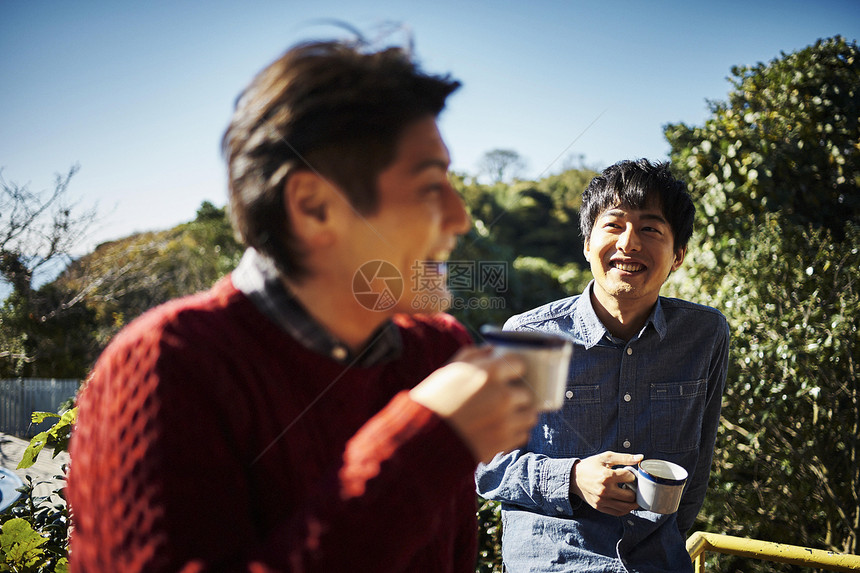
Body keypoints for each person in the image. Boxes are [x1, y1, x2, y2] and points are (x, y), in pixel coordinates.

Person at [67, 37, 538, 572]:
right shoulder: (164, 364)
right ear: (314, 207)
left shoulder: (437, 348)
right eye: (431, 187)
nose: (460, 218)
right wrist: (422, 445)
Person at [476, 159, 730, 573]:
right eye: (614, 225)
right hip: (554, 561)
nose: (629, 244)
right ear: (587, 244)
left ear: (678, 255)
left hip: (656, 561)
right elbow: (486, 468)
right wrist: (572, 478)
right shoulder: (530, 335)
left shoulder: (704, 334)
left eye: (650, 229)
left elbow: (696, 470)